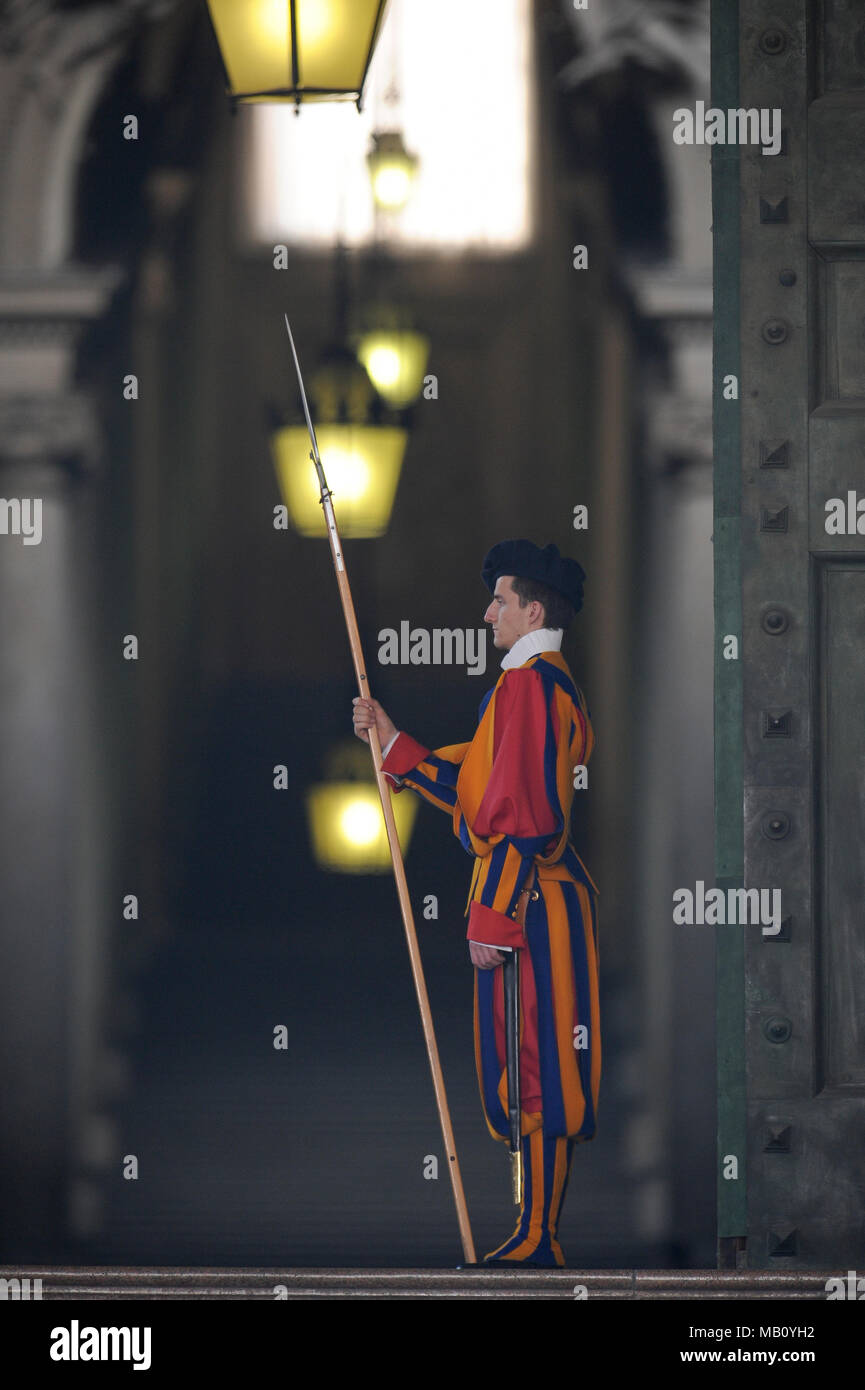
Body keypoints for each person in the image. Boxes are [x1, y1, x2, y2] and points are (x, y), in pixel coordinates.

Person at [352, 539, 600, 1267]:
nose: (486, 612)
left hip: (528, 904)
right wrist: (394, 744)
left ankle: (538, 1235)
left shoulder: (529, 688)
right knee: (528, 1064)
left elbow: (523, 818)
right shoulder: (536, 685)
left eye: (498, 600)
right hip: (535, 899)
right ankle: (533, 1230)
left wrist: (491, 916)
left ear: (531, 609)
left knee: (538, 1066)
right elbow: (480, 791)